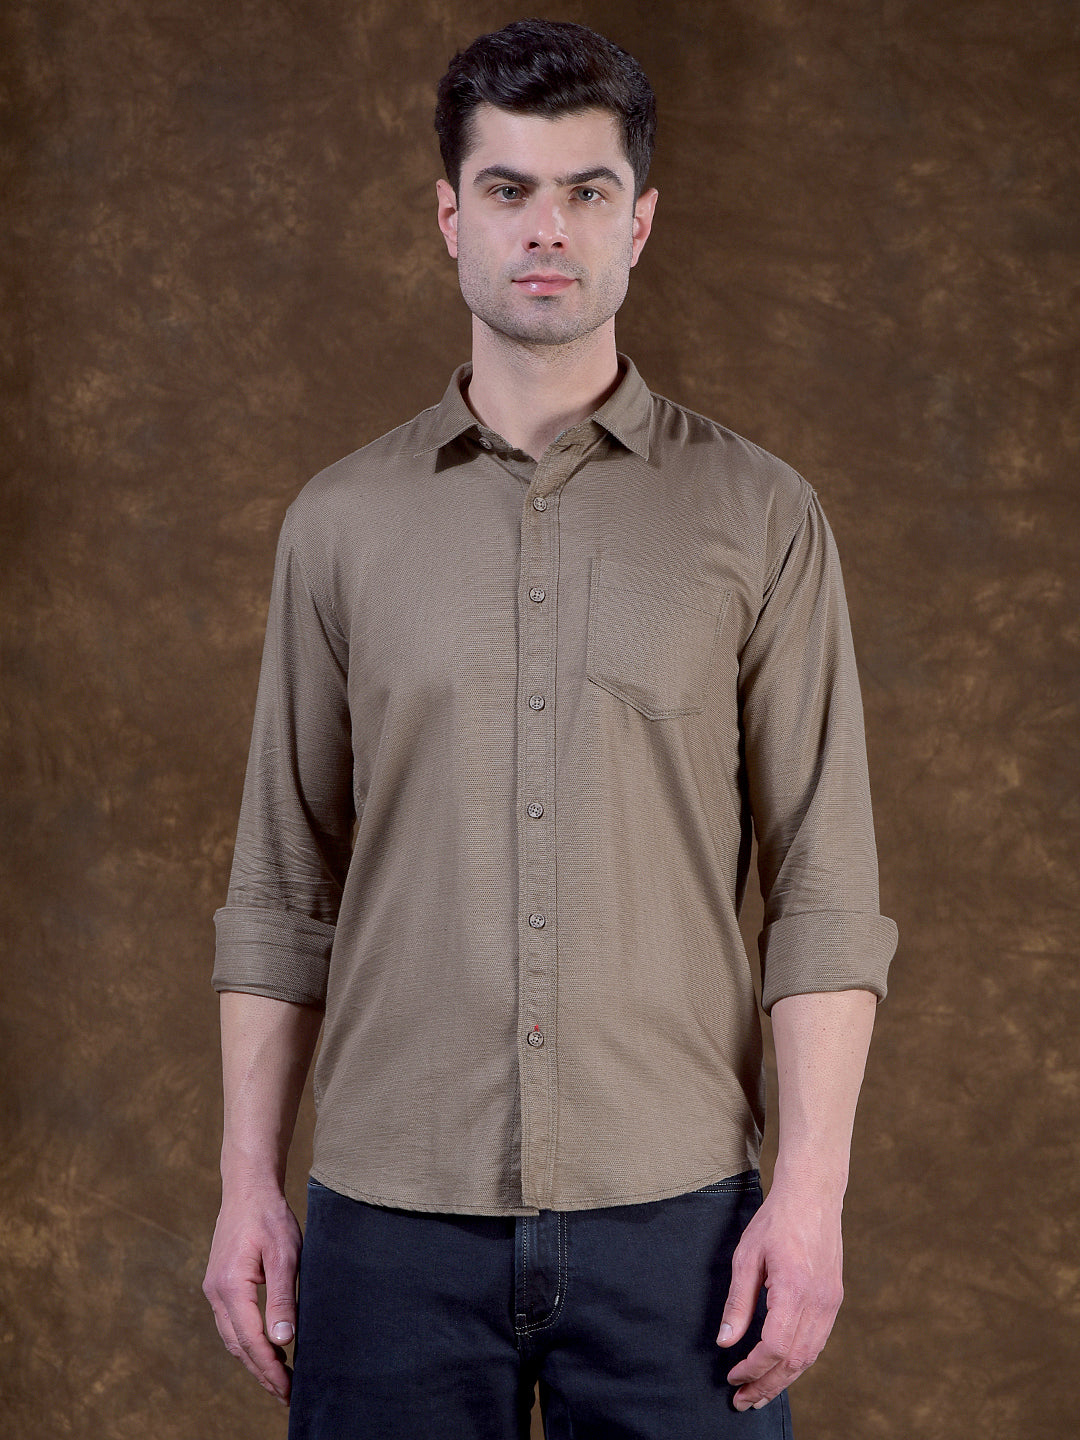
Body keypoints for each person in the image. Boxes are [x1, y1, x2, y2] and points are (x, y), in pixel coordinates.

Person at [203, 18, 897, 1439]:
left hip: (681, 1226)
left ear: (639, 221)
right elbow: (282, 887)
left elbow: (825, 890)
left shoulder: (762, 516)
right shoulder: (339, 524)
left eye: (587, 190)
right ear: (449, 215)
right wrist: (246, 1183)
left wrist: (811, 1197)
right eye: (509, 188)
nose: (547, 227)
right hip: (391, 1219)